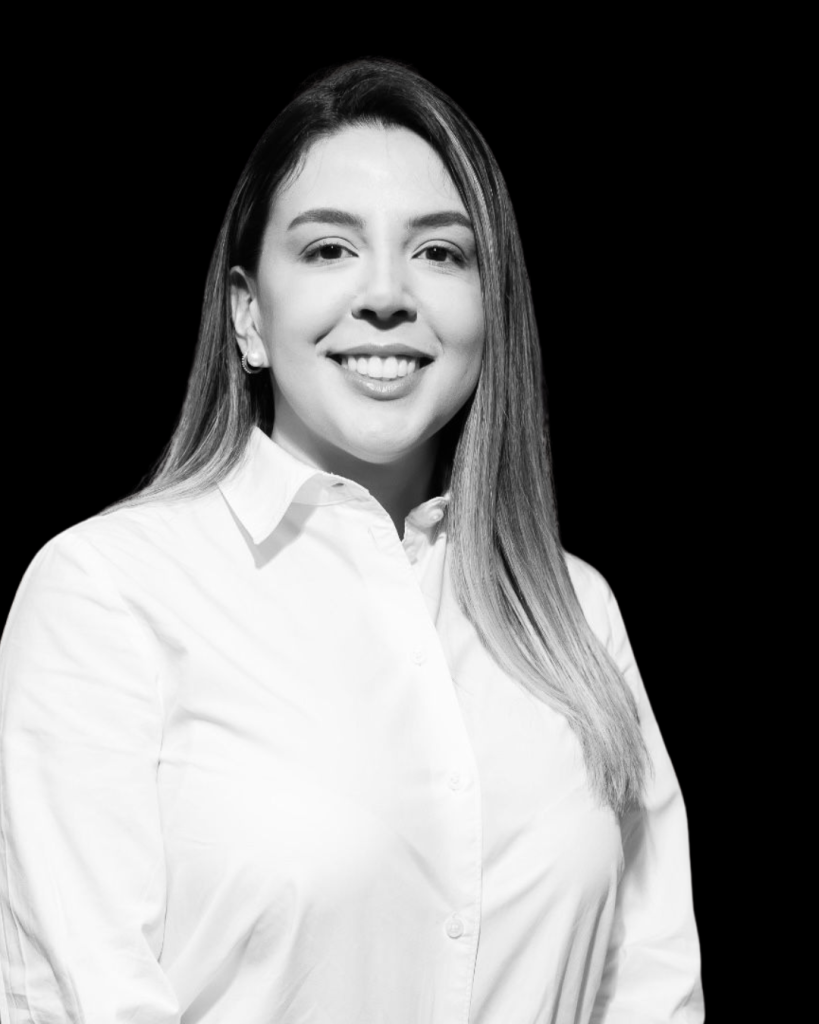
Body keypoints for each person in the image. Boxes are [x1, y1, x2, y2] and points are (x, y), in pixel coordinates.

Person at [0, 58, 704, 1023]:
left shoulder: (573, 611)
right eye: (329, 248)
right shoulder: (107, 593)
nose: (385, 294)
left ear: (489, 308)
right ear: (248, 314)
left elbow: (653, 990)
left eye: (440, 253)